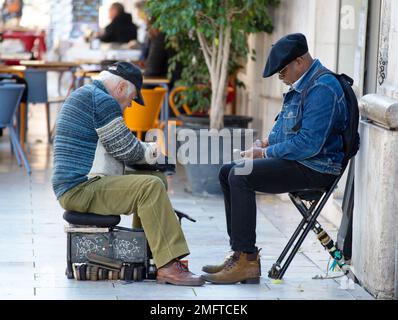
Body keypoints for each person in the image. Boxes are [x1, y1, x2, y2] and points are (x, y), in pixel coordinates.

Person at [201, 33, 348, 285]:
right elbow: (286, 132)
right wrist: (265, 143)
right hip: (300, 161)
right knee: (227, 171)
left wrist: (266, 153)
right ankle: (239, 253)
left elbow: (309, 144)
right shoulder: (303, 85)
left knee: (241, 175)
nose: (281, 78)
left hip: (316, 167)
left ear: (299, 62)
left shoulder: (322, 88)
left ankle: (247, 260)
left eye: (282, 72)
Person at [52, 61, 204, 287]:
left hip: (81, 183)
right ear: (121, 88)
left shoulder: (89, 94)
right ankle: (169, 265)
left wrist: (153, 162)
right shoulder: (102, 101)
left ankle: (143, 252)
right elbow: (125, 148)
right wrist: (155, 154)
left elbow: (119, 148)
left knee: (156, 180)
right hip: (79, 188)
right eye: (131, 98)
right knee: (149, 188)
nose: (130, 105)